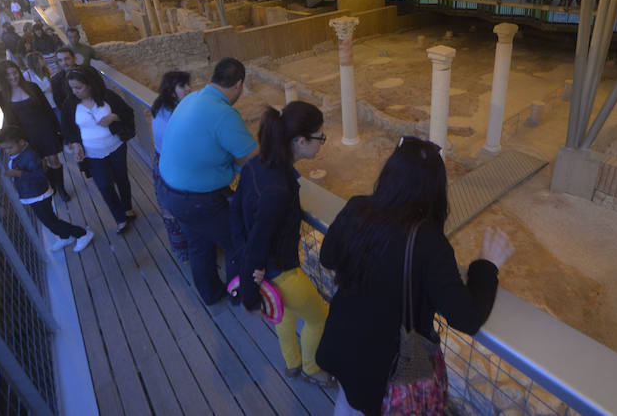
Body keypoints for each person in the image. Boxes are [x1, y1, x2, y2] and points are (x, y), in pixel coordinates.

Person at [316, 137, 514, 416]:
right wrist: (486, 266)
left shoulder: (357, 208)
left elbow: (327, 257)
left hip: (343, 342)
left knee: (348, 403)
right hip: (386, 369)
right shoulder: (428, 243)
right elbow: (466, 317)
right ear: (435, 189)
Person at [231, 102, 335, 388]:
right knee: (317, 316)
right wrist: (250, 294)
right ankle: (312, 368)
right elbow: (257, 243)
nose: (321, 143)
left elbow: (236, 212)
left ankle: (292, 363)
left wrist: (249, 267)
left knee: (285, 312)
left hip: (268, 270)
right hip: (281, 269)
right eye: (319, 137)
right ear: (300, 142)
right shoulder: (277, 189)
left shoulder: (257, 162)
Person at [158, 58, 258, 305]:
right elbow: (254, 158)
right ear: (239, 85)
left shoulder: (193, 98)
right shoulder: (223, 113)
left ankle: (211, 295)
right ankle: (240, 296)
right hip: (197, 199)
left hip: (170, 190)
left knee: (199, 244)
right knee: (238, 243)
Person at [0, 125, 94, 252]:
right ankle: (65, 236)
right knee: (50, 219)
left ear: (21, 142)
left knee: (50, 222)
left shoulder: (30, 156)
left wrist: (18, 174)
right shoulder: (21, 150)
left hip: (38, 195)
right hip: (32, 194)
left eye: (9, 148)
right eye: (5, 148)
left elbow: (40, 176)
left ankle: (82, 234)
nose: (7, 151)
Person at [61, 66, 136, 233]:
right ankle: (120, 218)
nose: (75, 92)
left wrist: (113, 117)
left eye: (78, 87)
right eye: (72, 87)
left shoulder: (107, 96)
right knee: (104, 185)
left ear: (90, 84)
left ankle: (127, 208)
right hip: (92, 152)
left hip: (116, 146)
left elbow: (127, 112)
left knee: (122, 178)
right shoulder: (69, 104)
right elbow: (67, 129)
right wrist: (76, 144)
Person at [0, 59, 70, 203]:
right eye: (8, 75)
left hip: (45, 129)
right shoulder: (2, 96)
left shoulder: (32, 87)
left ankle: (61, 189)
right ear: (3, 78)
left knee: (54, 160)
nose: (13, 77)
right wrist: (1, 141)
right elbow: (9, 121)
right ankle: (51, 185)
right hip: (26, 135)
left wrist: (58, 130)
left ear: (18, 71)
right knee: (41, 163)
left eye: (14, 72)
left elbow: (48, 109)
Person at [151, 71, 192, 260]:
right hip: (174, 167)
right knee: (181, 209)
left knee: (171, 210)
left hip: (162, 162)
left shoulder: (162, 107)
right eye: (182, 86)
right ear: (172, 90)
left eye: (187, 84)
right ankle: (189, 250)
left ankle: (182, 250)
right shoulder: (174, 114)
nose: (188, 89)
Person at [24, 52, 59, 121]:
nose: (44, 59)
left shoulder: (48, 70)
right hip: (41, 108)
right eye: (41, 58)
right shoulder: (27, 75)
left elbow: (56, 83)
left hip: (54, 105)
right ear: (35, 62)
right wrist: (45, 90)